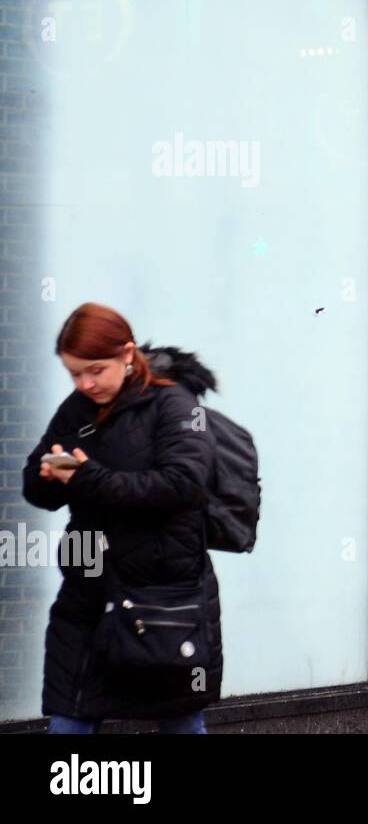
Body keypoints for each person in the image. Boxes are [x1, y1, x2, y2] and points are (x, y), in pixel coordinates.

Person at [22, 303, 221, 733]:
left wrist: (84, 477)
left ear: (127, 353)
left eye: (95, 370)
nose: (85, 383)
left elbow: (183, 484)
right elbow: (35, 487)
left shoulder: (176, 404)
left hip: (163, 599)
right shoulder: (77, 409)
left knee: (181, 722)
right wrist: (48, 477)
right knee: (68, 725)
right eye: (74, 374)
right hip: (87, 599)